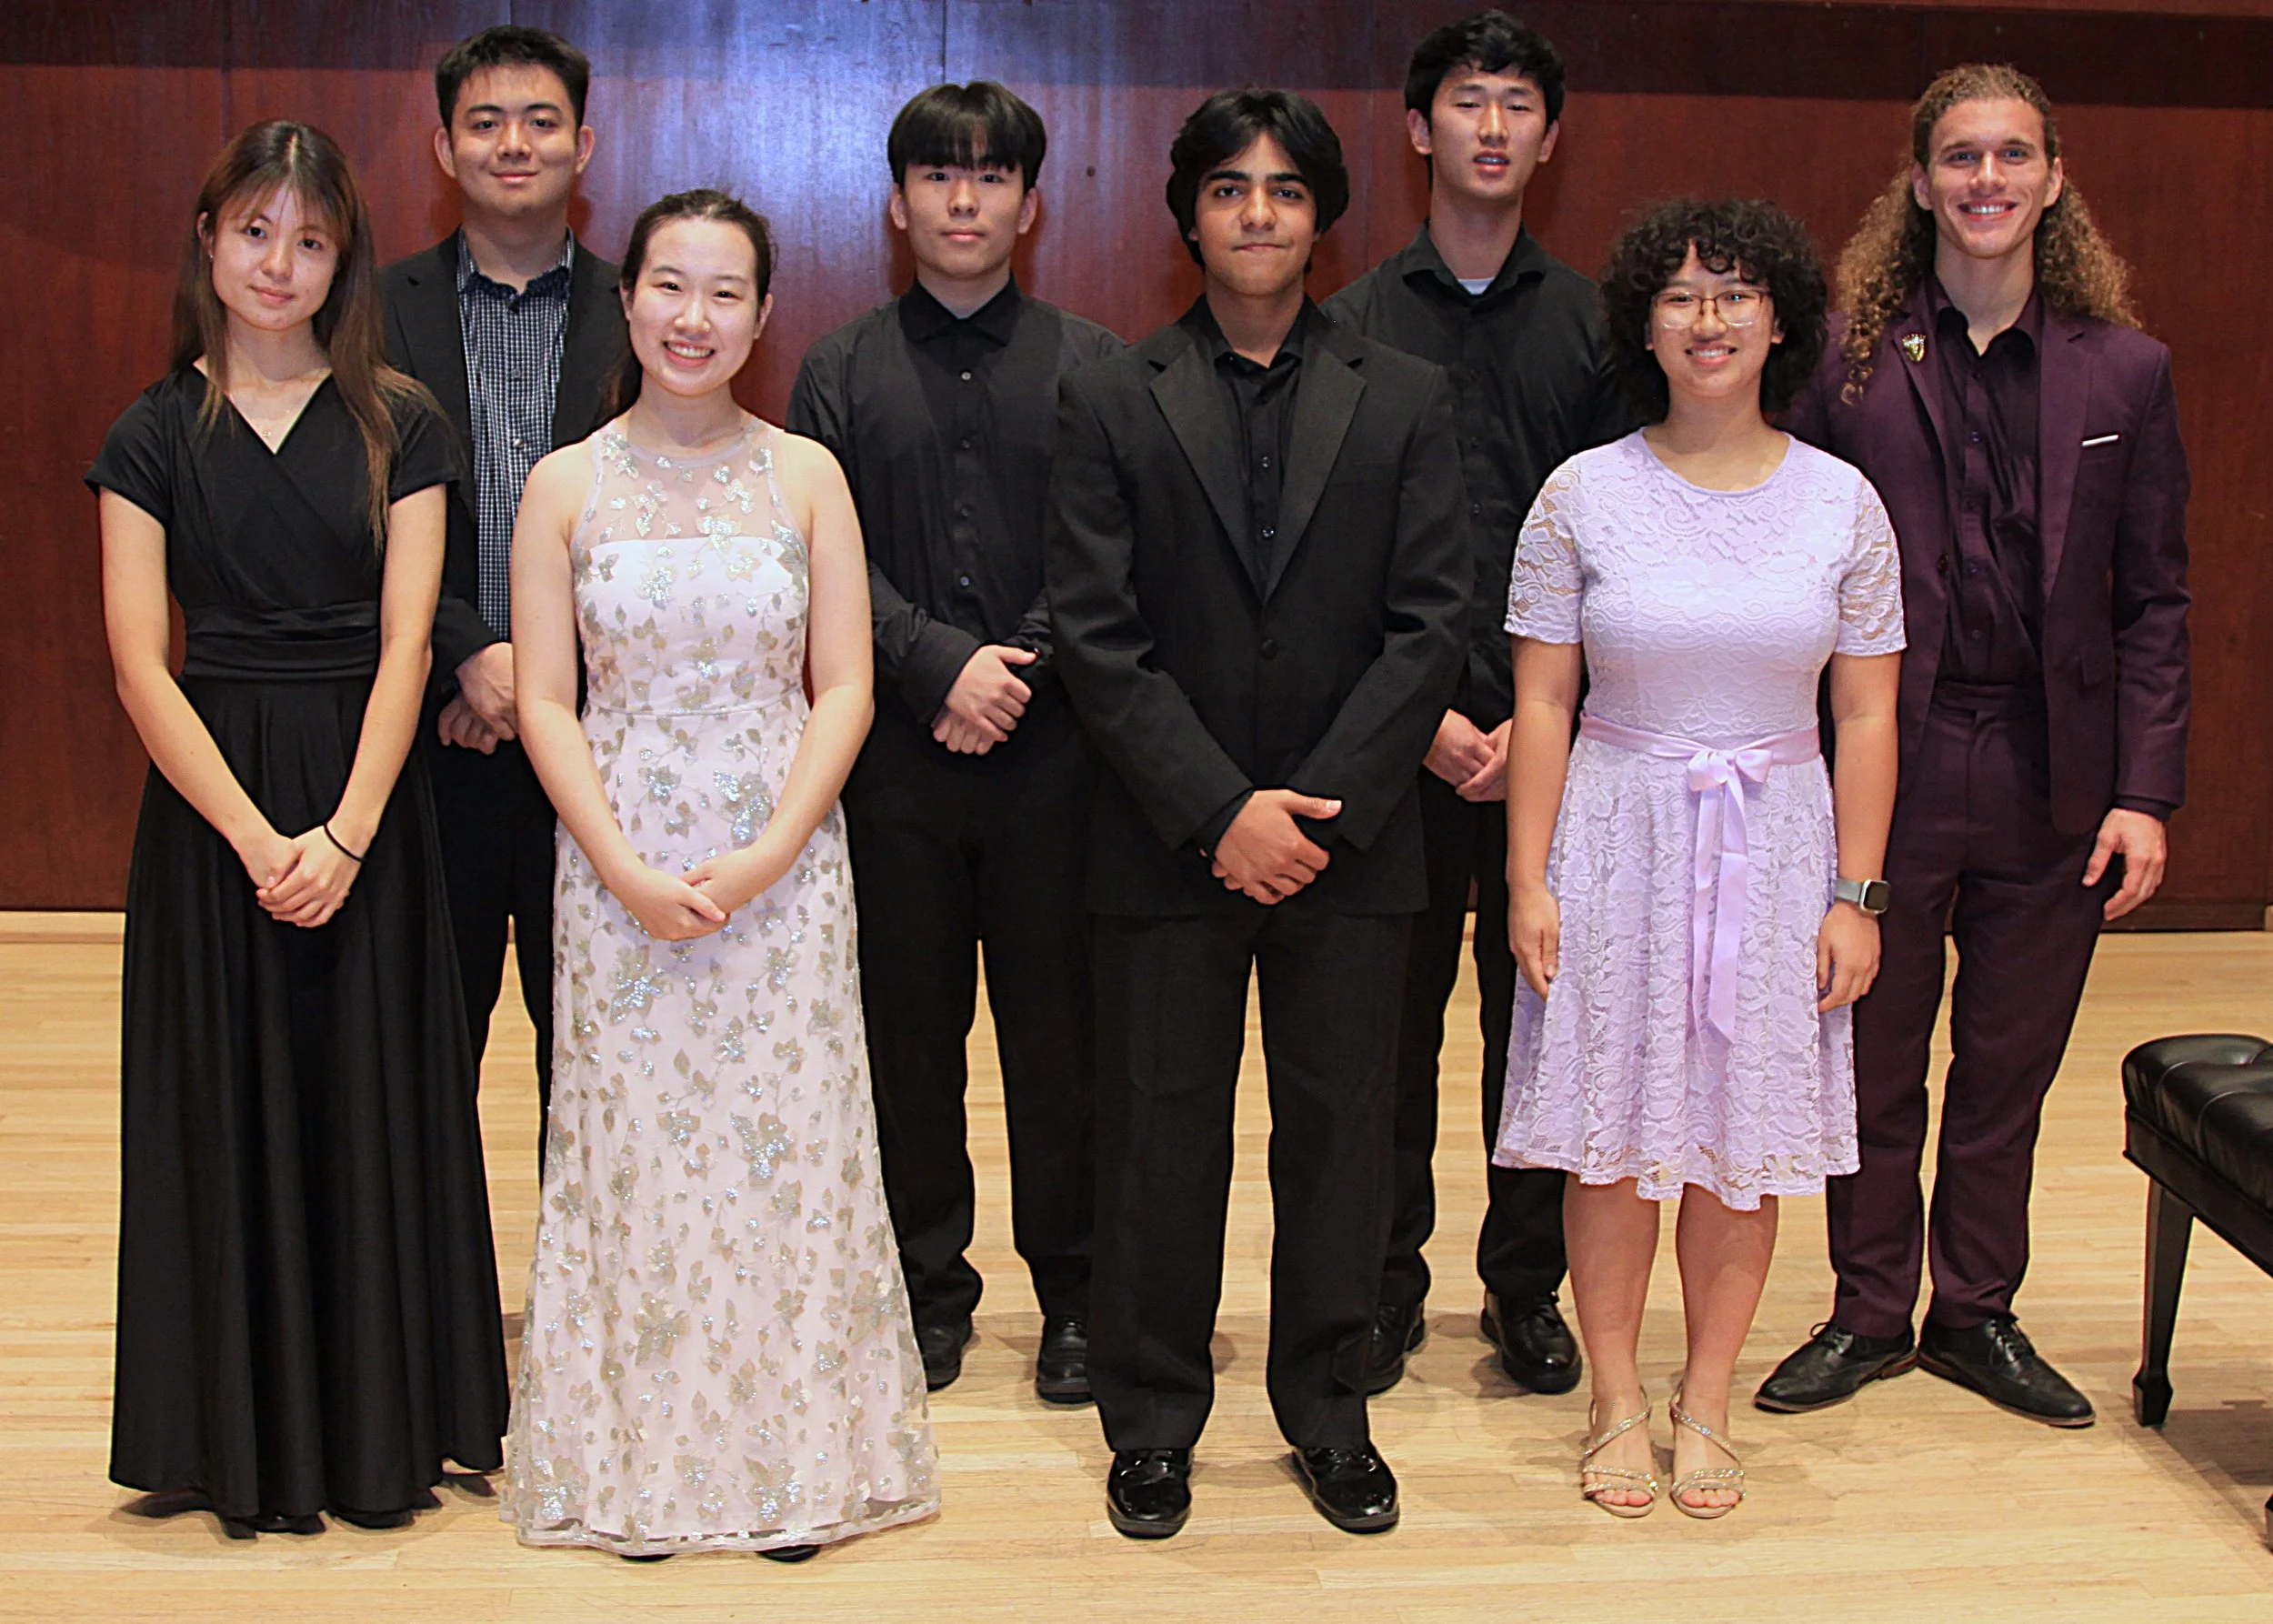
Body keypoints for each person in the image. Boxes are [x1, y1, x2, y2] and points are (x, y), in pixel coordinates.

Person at [1046, 89, 1468, 1539]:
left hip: (1353, 846)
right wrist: (1220, 806)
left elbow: (1429, 625)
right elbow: (1096, 630)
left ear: (1323, 214)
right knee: (1157, 1137)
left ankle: (1331, 1410)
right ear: (1189, 212)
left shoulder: (1405, 392)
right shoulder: (1113, 392)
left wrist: (1315, 813)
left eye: (1286, 189)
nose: (1258, 213)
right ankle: (1152, 1417)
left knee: (1343, 1137)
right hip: (1164, 837)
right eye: (1229, 188)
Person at [500, 189, 937, 1559]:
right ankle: (638, 1473)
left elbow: (846, 684)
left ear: (761, 314)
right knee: (633, 1156)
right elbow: (546, 700)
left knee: (784, 1154)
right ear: (628, 299)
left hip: (784, 862)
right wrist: (622, 866)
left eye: (726, 292)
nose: (694, 317)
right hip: (615, 858)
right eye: (670, 287)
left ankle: (792, 1470)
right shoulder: (564, 484)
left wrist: (771, 848)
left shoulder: (806, 474)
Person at [90, 119, 507, 1538]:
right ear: (209, 240)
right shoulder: (151, 431)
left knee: (372, 1102)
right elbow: (140, 664)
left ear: (345, 261)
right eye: (256, 230)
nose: (280, 262)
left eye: (311, 239)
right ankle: (233, 1437)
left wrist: (344, 834)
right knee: (227, 1107)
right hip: (213, 808)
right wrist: (255, 837)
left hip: (366, 802)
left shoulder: (403, 421)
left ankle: (382, 1427)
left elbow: (409, 647)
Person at [1757, 64, 2190, 1428]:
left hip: (2056, 771)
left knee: (2008, 1062)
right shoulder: (1846, 359)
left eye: (2011, 155)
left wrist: (2145, 791)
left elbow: (2155, 598)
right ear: (1920, 179)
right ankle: (1868, 1308)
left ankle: (1976, 1311)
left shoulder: (2126, 368)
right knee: (1872, 1051)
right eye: (1959, 156)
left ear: (2054, 178)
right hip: (1886, 751)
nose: (1985, 179)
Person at [1497, 198, 1904, 1518]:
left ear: (1781, 320)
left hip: (1778, 843)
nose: (1708, 318)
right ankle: (1616, 1395)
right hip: (1616, 832)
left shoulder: (1842, 502)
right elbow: (1543, 698)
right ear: (1644, 325)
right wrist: (1527, 878)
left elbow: (1866, 714)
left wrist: (1855, 893)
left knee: (1743, 1137)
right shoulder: (1581, 493)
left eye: (1735, 294)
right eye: (1679, 296)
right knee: (1611, 1138)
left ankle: (1708, 1398)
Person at [786, 82, 1118, 1402]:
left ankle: (1077, 1294)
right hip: (890, 760)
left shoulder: (1096, 363)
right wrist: (939, 667)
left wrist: (1012, 668)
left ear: (1030, 206)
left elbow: (1109, 550)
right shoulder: (837, 369)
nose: (963, 198)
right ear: (897, 202)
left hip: (1059, 761)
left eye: (990, 176)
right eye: (938, 174)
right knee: (905, 1039)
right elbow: (822, 557)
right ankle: (924, 1288)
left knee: (1061, 1043)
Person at [1321, 7, 1631, 1398]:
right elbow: (1330, 553)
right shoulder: (1350, 322)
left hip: (1558, 740)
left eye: (1517, 103)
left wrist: (1543, 722)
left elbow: (1632, 536)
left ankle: (1524, 1286)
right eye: (1466, 99)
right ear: (1418, 128)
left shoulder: (1599, 327)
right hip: (1400, 739)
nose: (1492, 124)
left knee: (1540, 1028)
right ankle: (1385, 1284)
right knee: (1385, 1031)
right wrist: (1427, 713)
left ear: (1550, 139)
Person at [380, 25, 627, 1157]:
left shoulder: (644, 309)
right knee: (424, 1041)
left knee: (596, 1048)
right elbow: (352, 514)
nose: (513, 143)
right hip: (435, 733)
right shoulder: (372, 311)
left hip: (601, 743)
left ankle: (580, 1265)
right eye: (484, 122)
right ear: (444, 147)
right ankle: (428, 1274)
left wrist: (543, 678)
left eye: (540, 121)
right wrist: (469, 654)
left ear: (585, 143)